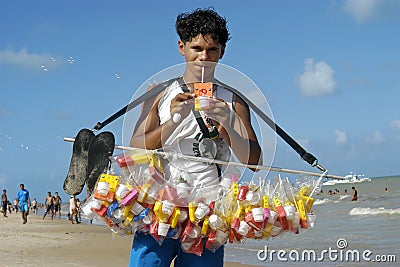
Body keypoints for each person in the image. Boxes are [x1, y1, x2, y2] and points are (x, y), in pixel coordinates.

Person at [129, 8, 261, 267]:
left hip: (208, 212)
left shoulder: (234, 100)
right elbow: (135, 150)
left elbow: (254, 161)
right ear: (182, 47)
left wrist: (226, 125)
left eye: (212, 50)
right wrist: (174, 118)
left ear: (222, 52)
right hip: (160, 207)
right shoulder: (158, 93)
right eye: (196, 48)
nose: (204, 57)